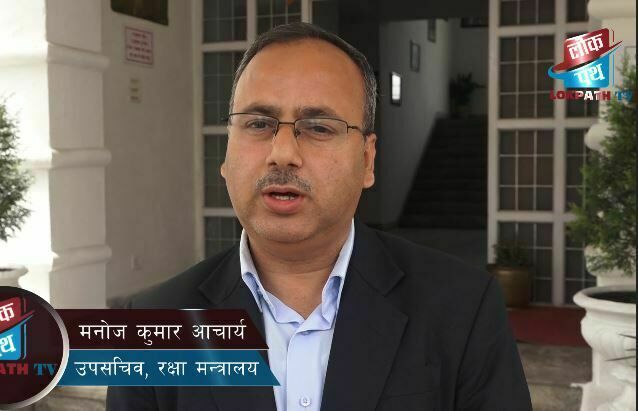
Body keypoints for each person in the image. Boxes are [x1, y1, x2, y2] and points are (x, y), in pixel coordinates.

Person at [107, 22, 532, 411]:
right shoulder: (151, 324)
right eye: (258, 124)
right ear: (226, 152)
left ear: (367, 160)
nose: (283, 154)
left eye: (319, 127)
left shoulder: (462, 307)